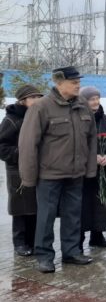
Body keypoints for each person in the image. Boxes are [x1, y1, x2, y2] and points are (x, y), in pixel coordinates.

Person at [18, 67, 97, 273]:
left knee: (73, 215)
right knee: (46, 217)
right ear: (59, 83)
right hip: (49, 175)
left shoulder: (83, 106)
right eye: (73, 82)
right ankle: (44, 256)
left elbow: (91, 140)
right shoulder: (41, 107)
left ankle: (71, 252)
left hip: (76, 174)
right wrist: (28, 177)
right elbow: (28, 144)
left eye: (78, 82)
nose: (78, 85)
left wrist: (89, 170)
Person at [0, 85, 43, 256]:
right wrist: (23, 153)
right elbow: (2, 146)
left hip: (37, 168)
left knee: (35, 206)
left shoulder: (39, 117)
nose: (37, 100)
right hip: (17, 170)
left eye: (39, 97)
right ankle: (19, 243)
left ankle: (32, 241)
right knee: (20, 207)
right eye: (33, 98)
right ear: (22, 100)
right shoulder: (11, 120)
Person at [79, 86, 106, 249]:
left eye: (97, 98)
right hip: (85, 172)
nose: (95, 102)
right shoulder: (79, 118)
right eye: (91, 99)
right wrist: (91, 157)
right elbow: (77, 143)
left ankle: (97, 235)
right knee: (84, 205)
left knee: (101, 203)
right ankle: (78, 239)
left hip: (103, 170)